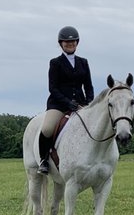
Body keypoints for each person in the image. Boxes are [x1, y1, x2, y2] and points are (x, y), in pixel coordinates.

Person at [37, 26, 94, 174]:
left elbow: (88, 86)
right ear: (61, 43)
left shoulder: (83, 62)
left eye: (73, 42)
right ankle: (44, 160)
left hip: (81, 104)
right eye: (67, 42)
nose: (70, 44)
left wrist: (88, 103)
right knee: (47, 128)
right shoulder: (55, 63)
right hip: (59, 104)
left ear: (77, 43)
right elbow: (53, 88)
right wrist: (68, 103)